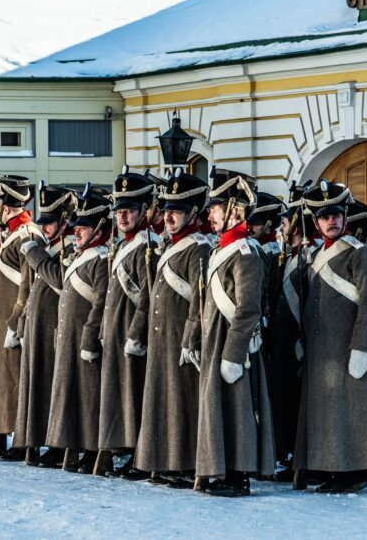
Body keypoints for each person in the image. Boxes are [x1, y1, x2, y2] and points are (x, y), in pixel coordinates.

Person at [294, 180, 367, 494]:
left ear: (346, 217)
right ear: (316, 221)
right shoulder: (315, 255)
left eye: (337, 214)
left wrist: (361, 348)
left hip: (350, 346)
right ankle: (336, 469)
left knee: (353, 412)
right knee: (332, 414)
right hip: (323, 349)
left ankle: (356, 471)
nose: (332, 221)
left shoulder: (361, 254)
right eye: (325, 216)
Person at [193, 168, 274, 497]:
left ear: (232, 210)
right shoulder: (220, 250)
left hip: (234, 349)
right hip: (216, 342)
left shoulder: (246, 254)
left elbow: (248, 309)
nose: (210, 214)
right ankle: (221, 469)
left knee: (239, 411)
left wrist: (232, 354)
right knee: (220, 410)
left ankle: (238, 475)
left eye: (215, 208)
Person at [21, 186, 111, 474]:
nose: (77, 232)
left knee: (85, 395)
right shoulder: (77, 250)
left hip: (81, 334)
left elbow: (90, 296)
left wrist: (35, 255)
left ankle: (85, 448)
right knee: (69, 393)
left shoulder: (95, 255)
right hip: (64, 331)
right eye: (76, 226)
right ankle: (65, 445)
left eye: (83, 227)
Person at [134, 171, 211, 489]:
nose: (168, 216)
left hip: (180, 338)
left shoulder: (198, 248)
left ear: (192, 213)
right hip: (162, 337)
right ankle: (163, 459)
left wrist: (191, 337)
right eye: (166, 210)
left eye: (176, 211)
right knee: (163, 402)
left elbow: (200, 297)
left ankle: (183, 461)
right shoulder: (169, 245)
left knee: (183, 403)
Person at [97, 168, 157, 479]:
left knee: (134, 394)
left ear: (143, 211)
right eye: (120, 211)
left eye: (129, 211)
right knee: (119, 393)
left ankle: (136, 451)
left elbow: (148, 296)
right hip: (116, 329)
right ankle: (122, 447)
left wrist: (136, 333)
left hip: (134, 332)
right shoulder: (122, 244)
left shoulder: (148, 245)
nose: (123, 218)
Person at [14, 183, 76, 467]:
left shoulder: (70, 246)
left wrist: (35, 255)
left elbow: (59, 280)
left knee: (52, 389)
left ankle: (56, 445)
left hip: (55, 327)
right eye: (44, 222)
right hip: (39, 327)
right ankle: (42, 441)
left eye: (51, 222)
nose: (46, 228)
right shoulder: (50, 245)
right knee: (39, 389)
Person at [0, 174, 41, 461]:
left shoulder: (27, 234)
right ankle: (3, 436)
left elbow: (28, 286)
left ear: (6, 207)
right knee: (4, 382)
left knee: (17, 382)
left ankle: (22, 441)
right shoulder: (13, 235)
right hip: (1, 321)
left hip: (15, 324)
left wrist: (16, 324)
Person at [265, 181, 311, 478]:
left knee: (297, 401)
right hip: (282, 340)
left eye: (286, 221)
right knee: (284, 399)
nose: (282, 227)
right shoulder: (290, 256)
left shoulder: (308, 257)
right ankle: (289, 453)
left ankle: (299, 456)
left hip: (298, 341)